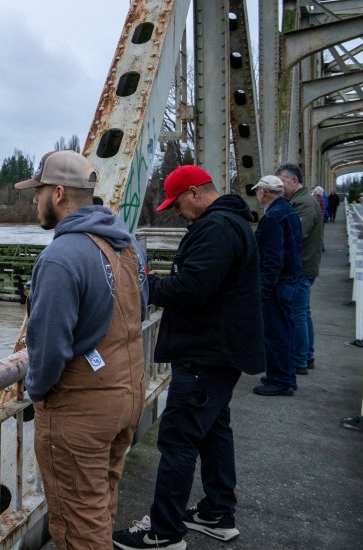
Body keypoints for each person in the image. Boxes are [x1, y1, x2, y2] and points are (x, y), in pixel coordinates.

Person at [113, 165, 264, 550]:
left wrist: (149, 286)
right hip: (221, 350)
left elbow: (195, 286)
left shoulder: (216, 228)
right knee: (214, 430)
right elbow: (205, 281)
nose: (177, 213)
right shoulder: (231, 223)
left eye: (178, 204)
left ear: (195, 192)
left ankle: (163, 532)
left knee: (178, 440)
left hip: (204, 354)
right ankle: (217, 512)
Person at [15, 150, 148, 549]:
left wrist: (36, 392)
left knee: (77, 525)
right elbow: (140, 308)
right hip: (127, 393)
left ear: (58, 194)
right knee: (100, 504)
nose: (33, 201)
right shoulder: (128, 245)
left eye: (36, 193)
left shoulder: (61, 257)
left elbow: (49, 348)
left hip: (82, 411)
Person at [251, 175, 303, 397]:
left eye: (257, 192)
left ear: (263, 192)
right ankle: (286, 375)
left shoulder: (273, 217)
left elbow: (273, 258)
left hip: (278, 285)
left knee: (275, 332)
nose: (257, 196)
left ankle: (280, 379)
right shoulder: (288, 211)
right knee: (285, 330)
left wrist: (264, 288)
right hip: (290, 280)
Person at [276, 163, 323, 375]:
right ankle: (307, 355)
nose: (279, 185)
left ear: (294, 181)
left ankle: (299, 360)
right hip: (306, 264)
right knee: (303, 313)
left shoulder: (303, 203)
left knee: (297, 315)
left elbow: (295, 234)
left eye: (282, 181)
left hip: (302, 266)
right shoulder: (301, 201)